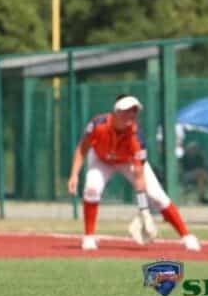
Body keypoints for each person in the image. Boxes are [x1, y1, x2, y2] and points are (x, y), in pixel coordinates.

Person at [67, 94, 201, 252]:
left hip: (127, 161)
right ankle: (89, 237)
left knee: (157, 195)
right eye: (127, 111)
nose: (131, 115)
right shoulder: (98, 124)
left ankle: (187, 236)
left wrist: (144, 209)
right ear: (116, 112)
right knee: (92, 189)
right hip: (101, 158)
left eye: (134, 111)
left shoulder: (136, 136)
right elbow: (82, 149)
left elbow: (138, 175)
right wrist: (74, 174)